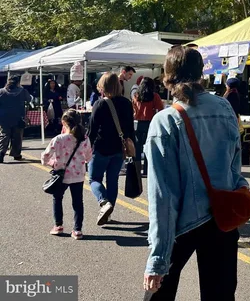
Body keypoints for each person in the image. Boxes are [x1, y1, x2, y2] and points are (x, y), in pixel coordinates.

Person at [143, 45, 249, 300]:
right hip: (222, 217)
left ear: (167, 77)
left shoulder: (165, 121)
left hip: (182, 222)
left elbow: (162, 196)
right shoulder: (224, 108)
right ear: (201, 74)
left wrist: (157, 260)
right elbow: (235, 169)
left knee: (157, 294)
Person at [88, 72, 134, 226]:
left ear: (103, 86)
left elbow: (92, 130)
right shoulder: (127, 103)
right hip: (119, 148)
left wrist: (86, 149)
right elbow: (130, 128)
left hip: (101, 147)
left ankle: (103, 202)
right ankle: (108, 214)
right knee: (112, 181)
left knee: (94, 179)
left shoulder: (100, 104)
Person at [41, 109, 93, 239]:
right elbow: (88, 157)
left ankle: (58, 225)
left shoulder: (58, 139)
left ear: (64, 123)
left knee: (57, 199)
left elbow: (45, 157)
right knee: (78, 202)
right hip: (78, 174)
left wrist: (53, 163)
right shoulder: (84, 139)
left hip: (61, 175)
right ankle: (77, 230)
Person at [132, 77, 165, 176]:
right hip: (150, 123)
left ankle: (136, 170)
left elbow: (133, 110)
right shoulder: (155, 96)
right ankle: (146, 169)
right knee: (148, 147)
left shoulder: (136, 95)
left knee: (137, 148)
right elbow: (160, 110)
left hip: (137, 123)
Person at [0, 75, 33, 163]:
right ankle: (16, 154)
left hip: (4, 117)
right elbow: (29, 99)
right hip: (18, 116)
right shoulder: (22, 91)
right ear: (18, 83)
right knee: (17, 136)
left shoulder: (1, 91)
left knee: (4, 135)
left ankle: (1, 153)